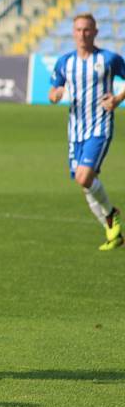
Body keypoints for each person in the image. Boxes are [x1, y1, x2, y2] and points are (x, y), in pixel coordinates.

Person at [49, 13, 124, 250]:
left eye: (87, 30)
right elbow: (53, 90)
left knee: (84, 177)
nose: (83, 34)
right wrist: (56, 95)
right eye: (79, 30)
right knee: (85, 185)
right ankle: (114, 234)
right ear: (73, 33)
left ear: (95, 32)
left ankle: (112, 214)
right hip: (76, 131)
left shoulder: (108, 59)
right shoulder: (65, 62)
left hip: (99, 127)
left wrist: (117, 99)